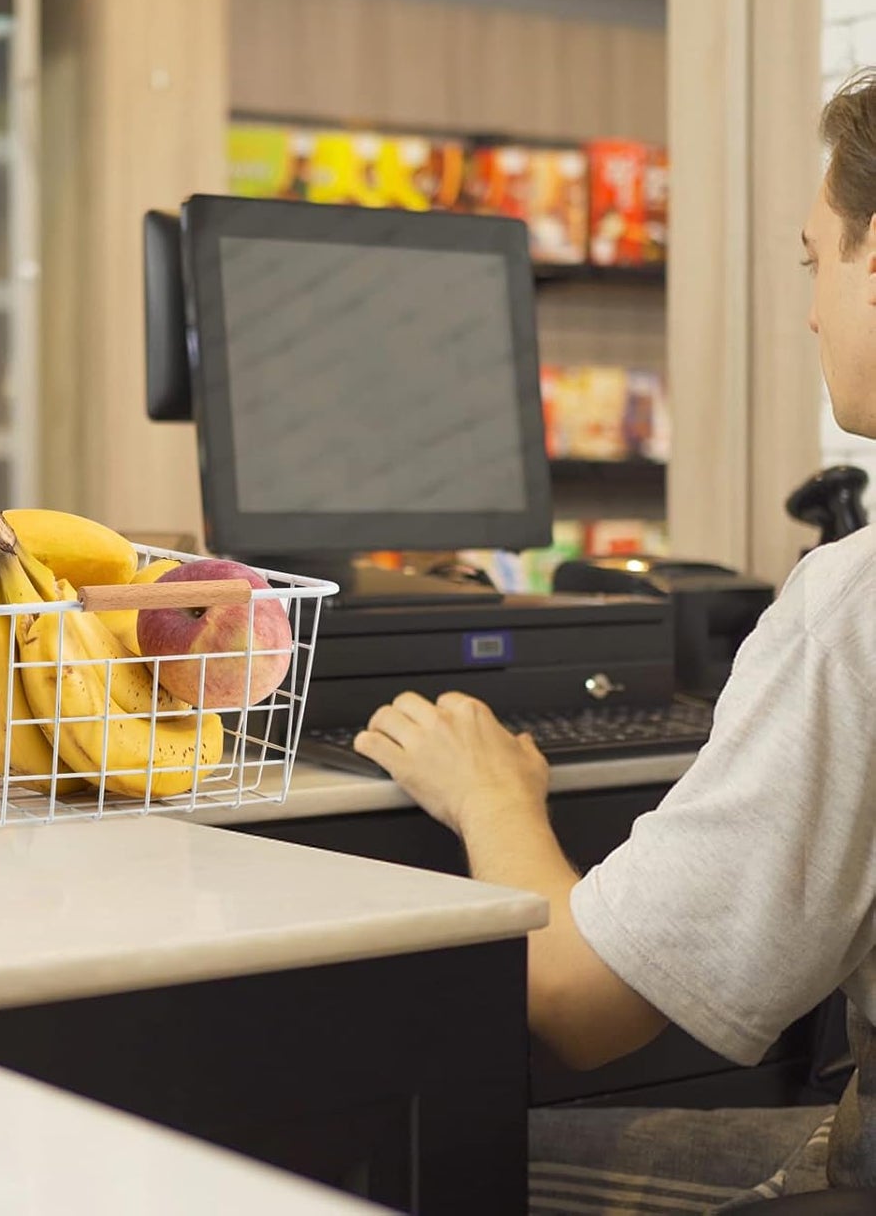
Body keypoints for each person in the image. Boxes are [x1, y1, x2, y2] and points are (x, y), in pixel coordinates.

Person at [354, 72, 876, 1212]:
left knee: (404, 1159)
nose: (804, 309)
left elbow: (578, 1002)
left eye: (813, 259)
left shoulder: (855, 601)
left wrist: (491, 795)